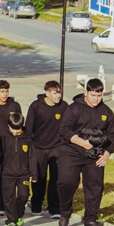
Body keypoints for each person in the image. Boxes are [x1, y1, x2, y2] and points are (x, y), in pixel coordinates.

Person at [56, 78, 114, 226]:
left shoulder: (106, 112)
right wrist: (82, 142)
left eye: (99, 95)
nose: (96, 99)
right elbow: (64, 130)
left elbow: (113, 135)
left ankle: (90, 220)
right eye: (93, 95)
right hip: (71, 152)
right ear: (85, 93)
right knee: (66, 182)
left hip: (95, 156)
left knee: (94, 187)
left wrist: (107, 153)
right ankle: (65, 211)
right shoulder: (74, 108)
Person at [25, 81, 68, 218]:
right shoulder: (36, 106)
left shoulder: (64, 106)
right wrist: (29, 148)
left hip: (56, 148)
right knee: (39, 178)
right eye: (55, 93)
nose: (58, 96)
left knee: (56, 177)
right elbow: (29, 128)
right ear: (47, 93)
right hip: (38, 148)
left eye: (59, 93)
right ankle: (36, 204)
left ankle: (54, 207)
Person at [0, 80, 22, 217]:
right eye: (2, 91)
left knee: (12, 175)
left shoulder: (14, 105)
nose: (5, 94)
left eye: (7, 91)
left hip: (12, 145)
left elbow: (19, 124)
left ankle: (11, 203)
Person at [0, 113, 36, 226]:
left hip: (23, 173)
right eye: (13, 129)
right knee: (8, 197)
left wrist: (34, 174)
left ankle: (19, 215)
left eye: (18, 129)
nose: (15, 132)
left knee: (24, 196)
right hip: (7, 173)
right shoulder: (3, 136)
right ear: (8, 126)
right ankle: (11, 220)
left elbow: (32, 156)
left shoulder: (28, 137)